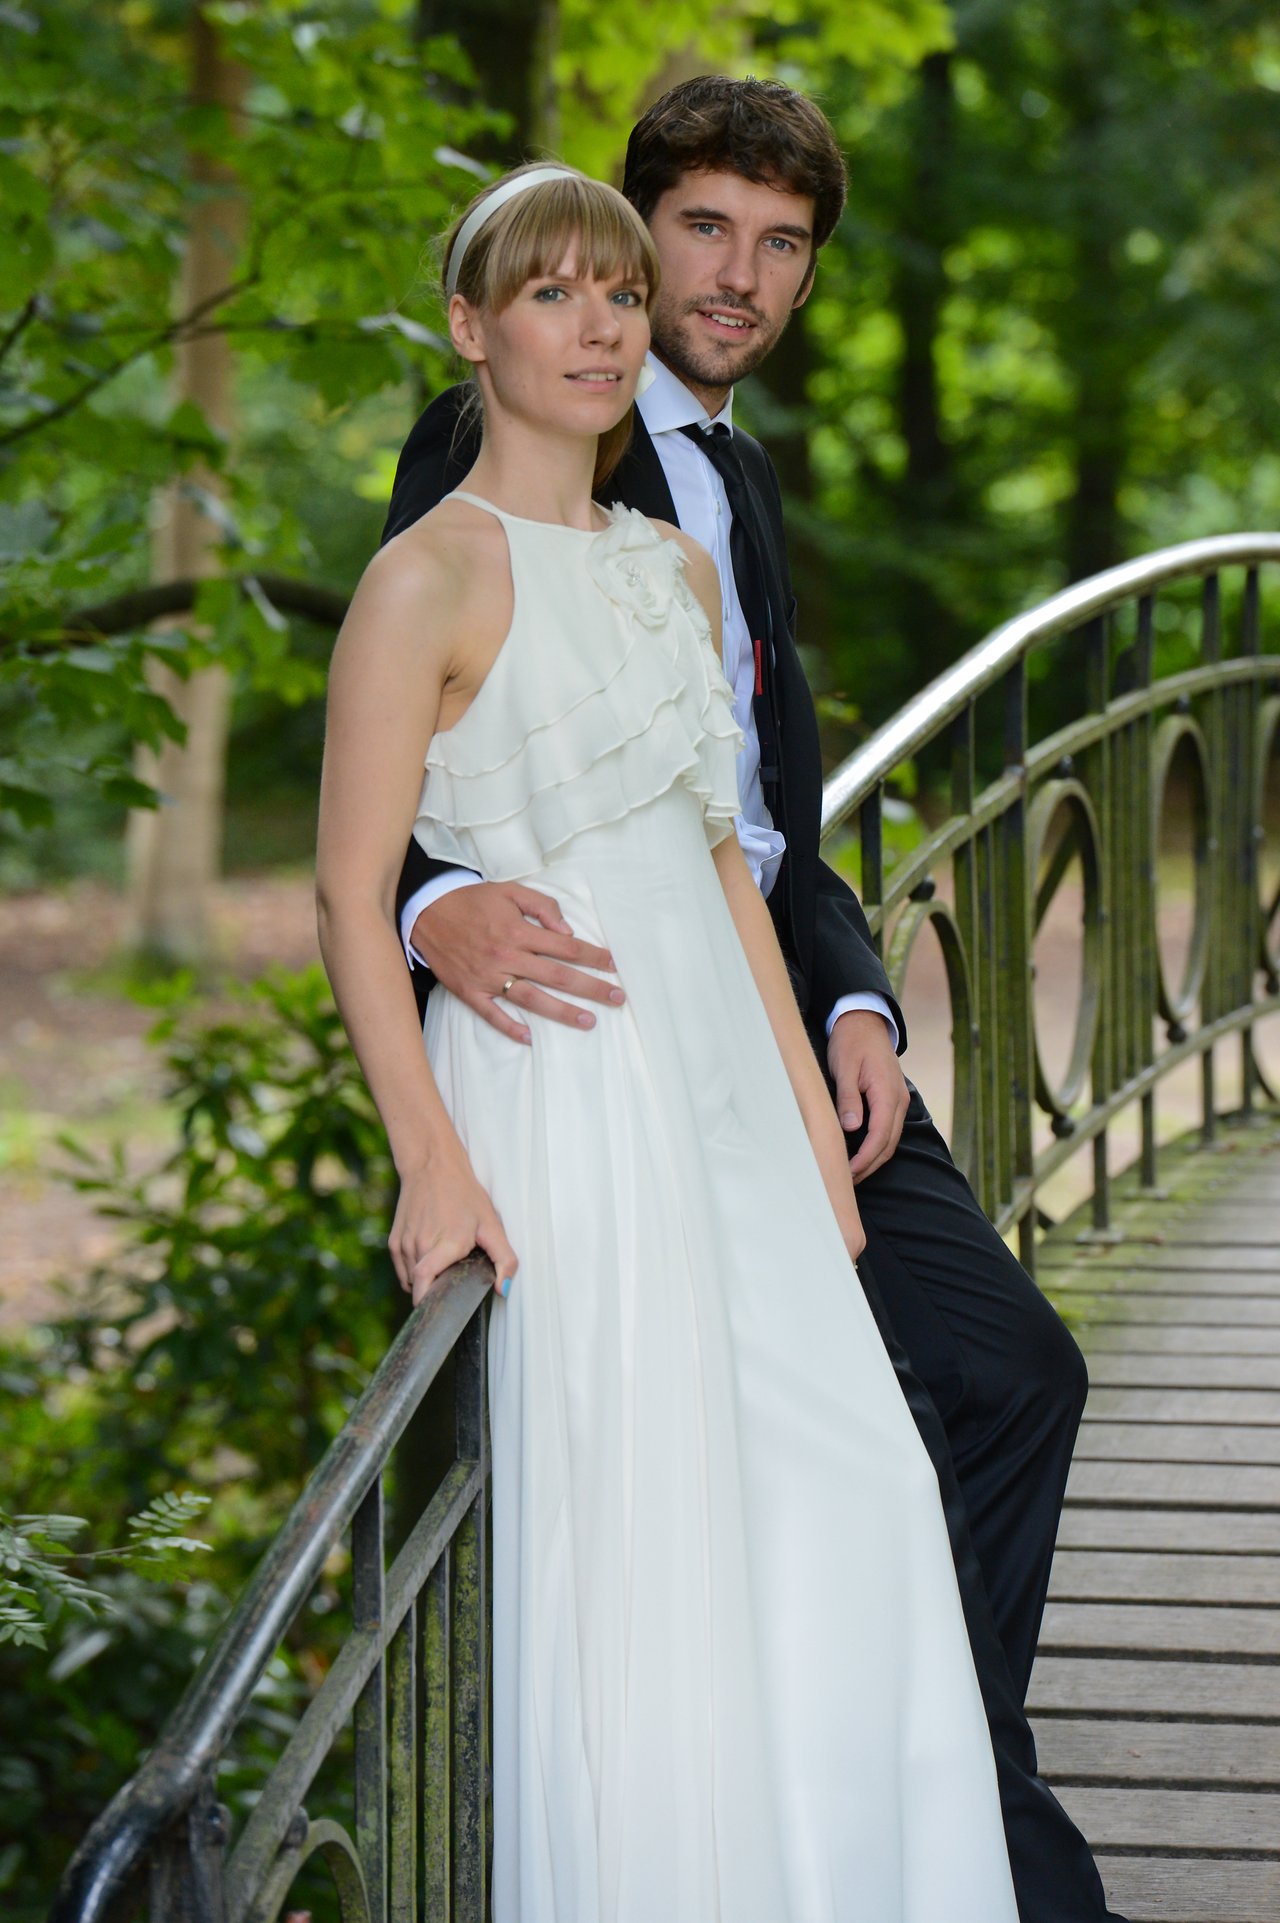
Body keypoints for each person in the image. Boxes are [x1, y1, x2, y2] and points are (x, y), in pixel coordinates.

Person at [381, 77, 1122, 1923]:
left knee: (1009, 1374)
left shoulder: (737, 485)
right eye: (700, 230)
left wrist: (860, 1007)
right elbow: (410, 759)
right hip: (597, 1037)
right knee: (734, 1472)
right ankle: (956, 1853)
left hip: (775, 1026)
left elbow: (768, 811)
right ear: (621, 244)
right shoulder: (502, 438)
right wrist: (441, 904)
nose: (734, 279)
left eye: (779, 246)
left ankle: (920, 1802)